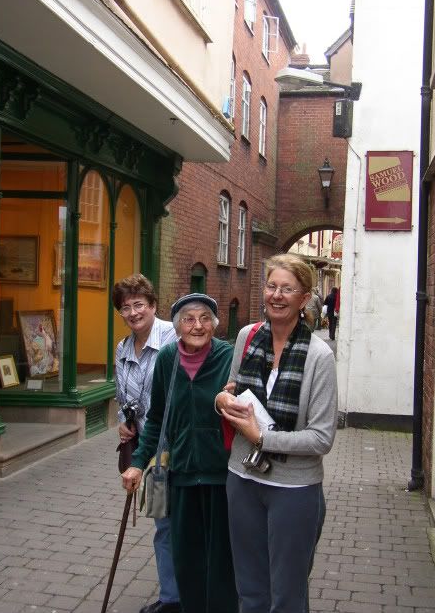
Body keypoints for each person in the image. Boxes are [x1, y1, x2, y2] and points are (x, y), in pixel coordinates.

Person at [215, 254, 338, 613]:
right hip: (242, 479)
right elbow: (231, 390)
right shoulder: (247, 337)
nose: (277, 296)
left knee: (286, 596)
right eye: (271, 286)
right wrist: (220, 400)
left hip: (293, 489)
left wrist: (262, 437)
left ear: (304, 299)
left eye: (287, 289)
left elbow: (321, 438)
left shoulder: (319, 357)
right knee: (250, 592)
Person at [121, 294, 239, 613]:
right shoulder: (168, 358)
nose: (197, 326)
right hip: (182, 474)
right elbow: (157, 417)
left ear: (215, 324)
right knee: (187, 559)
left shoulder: (228, 357)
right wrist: (137, 464)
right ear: (176, 327)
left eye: (205, 318)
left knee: (222, 559)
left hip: (222, 475)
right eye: (188, 319)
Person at [113, 274, 180, 613]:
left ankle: (194, 592)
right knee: (163, 523)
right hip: (148, 454)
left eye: (139, 304)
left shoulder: (174, 337)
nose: (133, 312)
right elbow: (122, 397)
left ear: (153, 305)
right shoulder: (122, 349)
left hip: (176, 449)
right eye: (125, 307)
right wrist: (123, 421)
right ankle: (172, 599)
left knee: (181, 523)